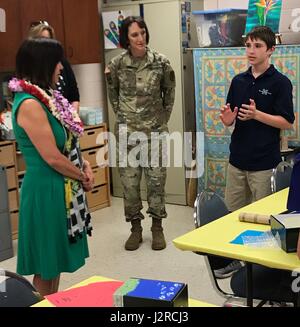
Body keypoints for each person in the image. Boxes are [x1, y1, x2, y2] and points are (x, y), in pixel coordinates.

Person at [9, 38, 94, 296]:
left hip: (59, 186)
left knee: (54, 263)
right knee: (46, 268)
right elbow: (52, 158)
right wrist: (81, 176)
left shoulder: (47, 99)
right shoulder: (30, 104)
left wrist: (85, 164)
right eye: (57, 62)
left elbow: (66, 144)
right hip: (45, 190)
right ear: (43, 64)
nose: (61, 67)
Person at [218, 26, 295, 278]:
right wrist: (228, 120)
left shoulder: (280, 83)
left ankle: (261, 268)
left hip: (264, 162)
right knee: (232, 214)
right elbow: (231, 119)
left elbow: (287, 121)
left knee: (262, 219)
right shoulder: (238, 81)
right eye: (248, 45)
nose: (251, 51)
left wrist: (257, 114)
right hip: (237, 160)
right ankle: (234, 261)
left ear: (270, 50)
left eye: (258, 46)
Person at [105, 16, 175, 251]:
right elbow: (113, 94)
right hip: (127, 136)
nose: (141, 38)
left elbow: (169, 92)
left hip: (155, 133)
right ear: (126, 38)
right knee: (130, 185)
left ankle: (157, 228)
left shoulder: (161, 62)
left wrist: (161, 119)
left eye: (143, 32)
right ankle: (135, 228)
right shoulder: (116, 65)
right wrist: (124, 117)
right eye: (135, 34)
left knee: (156, 182)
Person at [28, 21, 80, 112]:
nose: (46, 44)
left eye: (49, 40)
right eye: (42, 40)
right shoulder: (30, 71)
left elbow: (74, 95)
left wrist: (72, 119)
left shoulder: (62, 63)